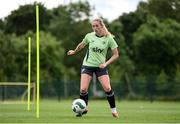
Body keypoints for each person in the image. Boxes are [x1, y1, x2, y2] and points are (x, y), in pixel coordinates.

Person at [67, 18, 119, 118]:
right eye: (93, 26)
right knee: (83, 89)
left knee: (107, 88)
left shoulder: (109, 38)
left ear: (101, 26)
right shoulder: (89, 36)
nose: (95, 28)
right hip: (87, 65)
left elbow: (116, 54)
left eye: (97, 26)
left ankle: (114, 110)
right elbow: (82, 45)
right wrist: (74, 51)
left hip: (101, 67)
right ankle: (84, 108)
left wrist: (106, 64)